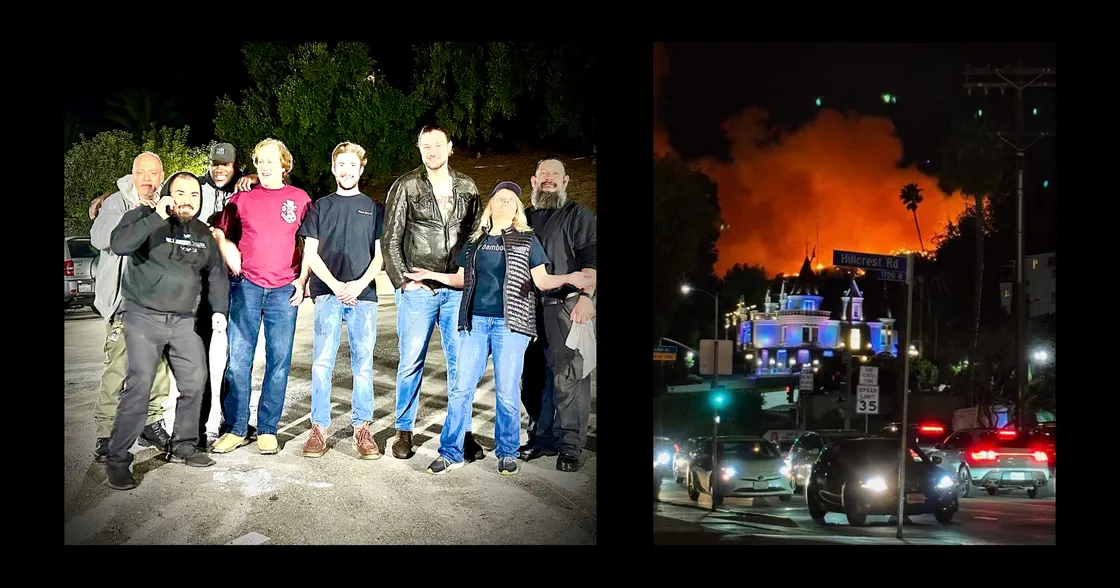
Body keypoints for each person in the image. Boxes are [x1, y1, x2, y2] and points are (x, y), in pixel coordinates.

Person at [403, 181, 594, 476]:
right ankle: (450, 452)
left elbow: (542, 281)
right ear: (490, 205)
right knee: (461, 388)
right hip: (475, 323)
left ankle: (507, 452)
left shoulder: (527, 240)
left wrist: (571, 277)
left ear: (517, 208)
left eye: (511, 199)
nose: (505, 201)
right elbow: (461, 279)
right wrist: (432, 275)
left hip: (511, 326)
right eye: (499, 197)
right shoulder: (475, 241)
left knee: (506, 391)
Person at [104, 171, 228, 490]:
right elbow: (119, 244)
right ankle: (117, 460)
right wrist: (157, 216)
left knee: (195, 380)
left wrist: (219, 311)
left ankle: (183, 445)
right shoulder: (143, 217)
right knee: (140, 386)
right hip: (143, 317)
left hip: (183, 320)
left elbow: (216, 273)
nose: (188, 200)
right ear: (168, 195)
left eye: (194, 195)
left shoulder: (201, 233)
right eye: (181, 193)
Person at [382, 126, 484, 461]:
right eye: (426, 146)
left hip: (455, 289)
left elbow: (477, 236)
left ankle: (461, 431)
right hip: (419, 290)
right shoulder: (406, 186)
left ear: (450, 147)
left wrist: (467, 277)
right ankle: (404, 430)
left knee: (460, 365)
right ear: (419, 149)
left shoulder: (467, 186)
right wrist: (404, 281)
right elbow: (390, 238)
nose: (432, 151)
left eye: (438, 145)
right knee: (411, 362)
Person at [210, 138, 312, 456]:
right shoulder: (241, 199)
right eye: (260, 161)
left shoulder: (300, 199)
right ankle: (236, 428)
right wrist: (227, 247)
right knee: (238, 362)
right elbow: (219, 230)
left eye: (271, 160)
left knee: (279, 363)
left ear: (284, 164)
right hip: (247, 288)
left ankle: (268, 429)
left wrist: (304, 279)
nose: (265, 166)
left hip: (284, 291)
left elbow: (312, 242)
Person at [298, 142, 385, 459]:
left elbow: (380, 257)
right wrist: (336, 286)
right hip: (327, 295)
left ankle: (362, 427)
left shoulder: (375, 209)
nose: (347, 171)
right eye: (342, 165)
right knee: (322, 363)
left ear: (361, 168)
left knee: (363, 365)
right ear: (334, 168)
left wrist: (358, 285)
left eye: (352, 165)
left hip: (364, 298)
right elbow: (310, 253)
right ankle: (319, 428)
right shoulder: (320, 207)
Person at [89, 152, 173, 462]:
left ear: (161, 176)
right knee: (118, 368)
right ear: (133, 175)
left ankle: (151, 423)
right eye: (141, 172)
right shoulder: (117, 203)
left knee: (159, 368)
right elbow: (101, 239)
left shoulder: (166, 202)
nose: (147, 179)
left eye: (153, 173)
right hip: (125, 301)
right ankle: (106, 432)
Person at [518, 157, 597, 472]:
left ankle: (569, 446)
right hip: (528, 309)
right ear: (534, 181)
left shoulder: (577, 214)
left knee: (568, 378)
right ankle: (541, 438)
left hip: (566, 305)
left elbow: (590, 256)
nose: (548, 178)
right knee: (533, 380)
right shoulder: (524, 218)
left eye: (555, 174)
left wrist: (587, 297)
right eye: (543, 174)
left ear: (565, 181)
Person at [194, 142, 246, 444]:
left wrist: (253, 178)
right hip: (201, 286)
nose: (219, 169)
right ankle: (196, 429)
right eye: (215, 163)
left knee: (234, 358)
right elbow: (156, 195)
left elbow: (287, 181)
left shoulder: (245, 189)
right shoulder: (195, 188)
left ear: (235, 166)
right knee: (198, 360)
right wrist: (108, 197)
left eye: (225, 164)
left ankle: (233, 422)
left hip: (235, 285)